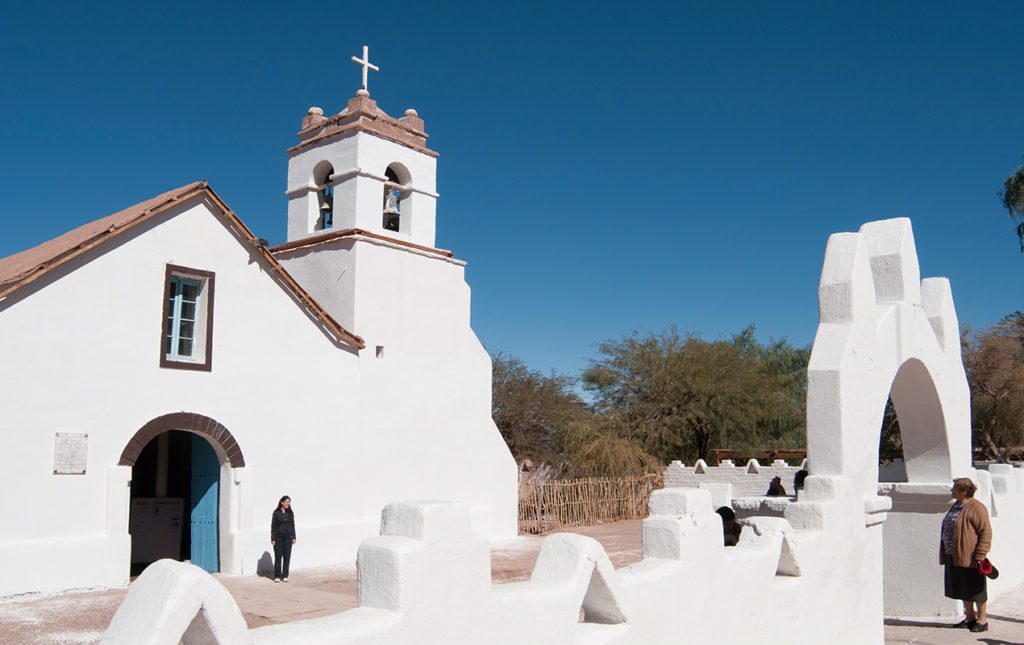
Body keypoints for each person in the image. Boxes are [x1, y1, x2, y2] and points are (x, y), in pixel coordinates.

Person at [940, 478, 992, 633]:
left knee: (976, 587)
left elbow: (986, 531)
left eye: (954, 488)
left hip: (970, 556)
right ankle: (970, 618)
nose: (952, 491)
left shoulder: (977, 508)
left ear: (963, 491)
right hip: (953, 554)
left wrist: (981, 554)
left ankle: (982, 619)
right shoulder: (957, 505)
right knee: (962, 585)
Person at [271, 495, 297, 583]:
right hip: (278, 538)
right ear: (282, 502)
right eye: (286, 502)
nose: (288, 504)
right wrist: (273, 538)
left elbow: (292, 525)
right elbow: (273, 526)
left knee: (287, 556)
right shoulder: (276, 513)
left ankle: (285, 575)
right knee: (278, 557)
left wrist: (294, 537)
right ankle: (277, 576)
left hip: (288, 538)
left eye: (289, 502)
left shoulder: (290, 512)